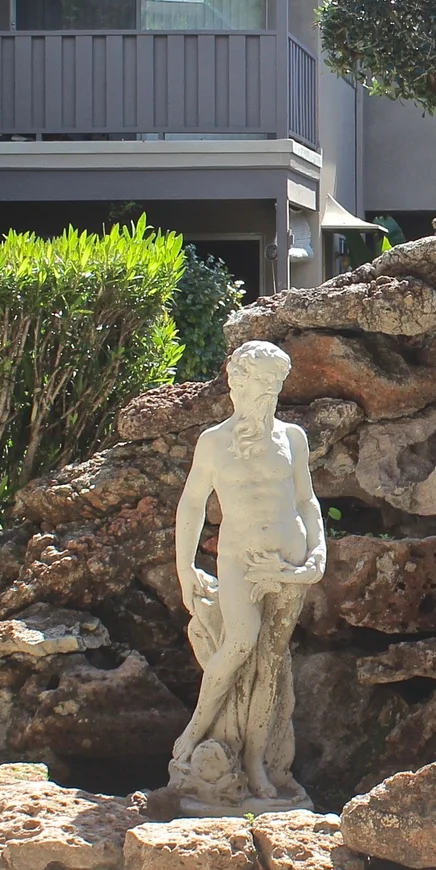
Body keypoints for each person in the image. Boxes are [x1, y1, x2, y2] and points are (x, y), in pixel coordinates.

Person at [167, 338, 327, 812]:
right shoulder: (214, 442)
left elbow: (306, 501)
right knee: (239, 642)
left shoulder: (292, 438)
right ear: (236, 385)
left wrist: (316, 555)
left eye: (275, 387)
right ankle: (195, 732)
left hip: (289, 562)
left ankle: (257, 762)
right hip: (239, 560)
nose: (268, 396)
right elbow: (192, 505)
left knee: (271, 663)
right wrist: (184, 569)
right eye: (260, 385)